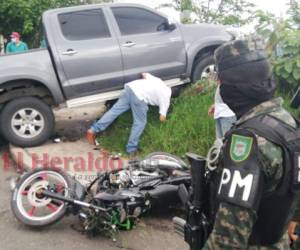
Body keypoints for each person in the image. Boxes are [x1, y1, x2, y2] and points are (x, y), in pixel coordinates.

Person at [203, 40, 300, 249]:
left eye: (221, 83)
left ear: (234, 88)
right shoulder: (289, 122)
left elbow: (227, 238)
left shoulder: (247, 142)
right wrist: (294, 219)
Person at [86, 73, 172, 156]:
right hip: (139, 96)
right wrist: (168, 122)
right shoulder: (166, 98)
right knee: (140, 122)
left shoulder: (159, 81)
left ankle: (93, 130)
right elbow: (162, 118)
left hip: (130, 88)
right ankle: (131, 149)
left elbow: (144, 74)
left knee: (114, 111)